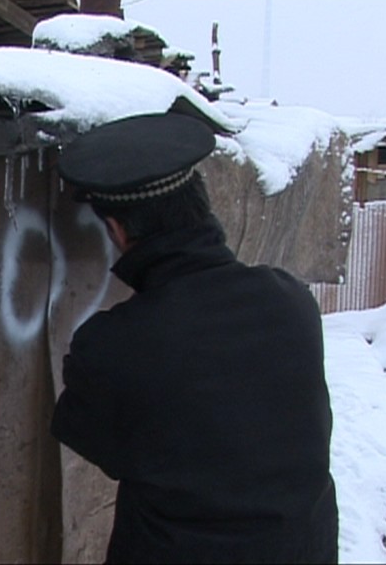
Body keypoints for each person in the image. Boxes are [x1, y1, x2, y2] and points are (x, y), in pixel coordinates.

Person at [51, 111, 339, 564]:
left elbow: (90, 437)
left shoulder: (115, 344)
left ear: (117, 230)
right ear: (201, 206)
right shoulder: (291, 301)